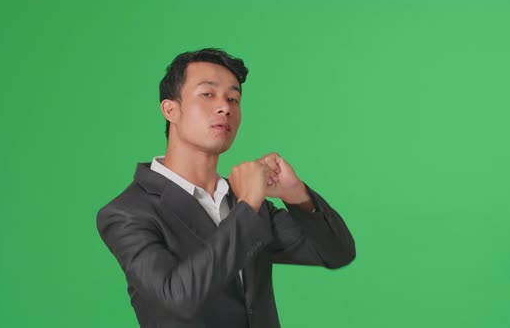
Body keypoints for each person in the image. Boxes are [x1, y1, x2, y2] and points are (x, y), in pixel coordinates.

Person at [96, 48, 355, 328]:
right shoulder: (126, 213)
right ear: (170, 109)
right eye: (208, 94)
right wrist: (247, 207)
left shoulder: (243, 198)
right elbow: (177, 298)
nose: (225, 107)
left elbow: (337, 252)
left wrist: (297, 195)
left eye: (233, 98)